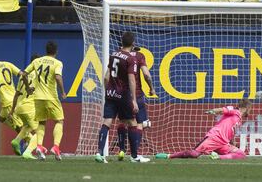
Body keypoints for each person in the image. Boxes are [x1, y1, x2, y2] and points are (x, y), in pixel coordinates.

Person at [95, 32, 150, 163]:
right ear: (133, 43)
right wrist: (133, 100)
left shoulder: (113, 54)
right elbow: (132, 80)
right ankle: (134, 156)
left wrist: (107, 90)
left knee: (107, 121)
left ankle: (99, 153)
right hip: (123, 94)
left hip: (110, 93)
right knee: (132, 123)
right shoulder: (130, 59)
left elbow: (106, 77)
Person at [156, 99, 252, 160]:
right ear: (247, 108)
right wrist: (213, 111)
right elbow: (223, 109)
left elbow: (230, 131)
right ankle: (168, 156)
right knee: (194, 154)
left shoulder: (239, 120)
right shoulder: (235, 111)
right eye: (250, 109)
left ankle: (218, 157)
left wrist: (233, 143)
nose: (250, 111)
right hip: (214, 138)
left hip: (224, 143)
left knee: (241, 154)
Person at [24, 41, 66, 161]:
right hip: (51, 97)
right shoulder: (57, 63)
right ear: (56, 51)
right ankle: (56, 146)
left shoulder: (37, 61)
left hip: (37, 97)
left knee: (41, 123)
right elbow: (58, 77)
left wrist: (27, 87)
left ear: (46, 50)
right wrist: (63, 91)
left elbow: (24, 74)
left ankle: (39, 146)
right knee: (59, 121)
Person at [116, 46, 156, 161]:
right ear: (133, 46)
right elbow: (146, 74)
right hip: (136, 94)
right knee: (139, 123)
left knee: (123, 121)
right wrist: (151, 88)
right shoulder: (139, 56)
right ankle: (135, 154)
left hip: (121, 94)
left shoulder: (117, 56)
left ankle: (122, 150)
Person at [8, 54, 40, 159]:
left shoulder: (23, 76)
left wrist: (12, 111)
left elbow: (16, 94)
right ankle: (28, 152)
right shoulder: (38, 75)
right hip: (29, 107)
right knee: (39, 131)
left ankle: (16, 141)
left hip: (19, 108)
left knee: (28, 126)